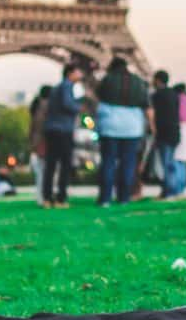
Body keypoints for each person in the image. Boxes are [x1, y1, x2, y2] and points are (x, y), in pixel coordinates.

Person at [94, 57, 151, 206]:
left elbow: (98, 97)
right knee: (128, 164)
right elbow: (147, 106)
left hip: (110, 125)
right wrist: (151, 126)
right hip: (132, 127)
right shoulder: (138, 82)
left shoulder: (107, 80)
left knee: (108, 162)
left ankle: (105, 198)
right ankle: (124, 197)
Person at [42, 64, 84, 208]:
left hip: (52, 129)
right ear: (70, 73)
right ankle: (61, 198)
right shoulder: (67, 86)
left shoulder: (57, 87)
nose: (81, 74)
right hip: (63, 130)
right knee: (65, 164)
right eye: (78, 71)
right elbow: (68, 104)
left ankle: (47, 198)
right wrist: (79, 107)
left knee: (51, 165)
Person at [150, 70, 184, 199]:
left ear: (157, 80)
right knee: (171, 163)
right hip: (174, 132)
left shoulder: (156, 95)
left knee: (164, 164)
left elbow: (153, 114)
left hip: (163, 132)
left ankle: (168, 191)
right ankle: (173, 190)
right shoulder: (174, 94)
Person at [28, 85, 52, 205]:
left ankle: (40, 196)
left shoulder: (36, 106)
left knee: (40, 172)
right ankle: (45, 196)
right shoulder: (47, 107)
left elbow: (32, 128)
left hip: (37, 142)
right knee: (46, 171)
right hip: (45, 141)